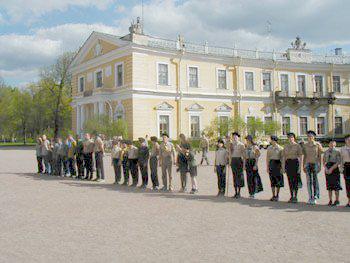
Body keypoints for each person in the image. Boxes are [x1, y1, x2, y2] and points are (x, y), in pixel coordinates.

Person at [302, 130, 323, 205]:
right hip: (308, 164)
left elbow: (320, 156)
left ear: (314, 137)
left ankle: (315, 196)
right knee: (308, 181)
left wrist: (320, 165)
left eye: (311, 136)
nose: (310, 137)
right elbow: (304, 156)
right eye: (308, 136)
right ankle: (310, 197)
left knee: (315, 181)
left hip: (315, 164)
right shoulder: (305, 145)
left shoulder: (317, 145)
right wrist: (303, 165)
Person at [283, 132, 303, 203]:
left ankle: (295, 197)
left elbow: (300, 156)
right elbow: (284, 156)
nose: (290, 139)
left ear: (294, 138)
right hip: (288, 163)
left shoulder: (297, 146)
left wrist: (300, 167)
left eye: (292, 137)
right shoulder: (286, 146)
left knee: (295, 180)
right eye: (289, 137)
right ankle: (291, 196)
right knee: (290, 180)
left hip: (295, 163)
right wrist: (283, 167)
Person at [323, 139, 342, 206]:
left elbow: (338, 162)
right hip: (327, 169)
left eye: (333, 144)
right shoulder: (326, 152)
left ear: (335, 144)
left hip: (335, 169)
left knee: (336, 185)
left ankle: (337, 200)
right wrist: (326, 168)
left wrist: (331, 169)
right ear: (329, 144)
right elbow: (324, 161)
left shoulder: (337, 152)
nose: (332, 145)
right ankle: (330, 200)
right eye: (331, 144)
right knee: (329, 186)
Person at [266, 135, 284, 201]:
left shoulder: (280, 148)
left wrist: (283, 167)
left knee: (278, 180)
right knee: (272, 180)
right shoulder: (269, 148)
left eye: (272, 140)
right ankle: (273, 195)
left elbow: (282, 158)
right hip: (271, 163)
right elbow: (267, 157)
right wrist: (267, 167)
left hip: (278, 164)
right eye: (271, 140)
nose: (271, 141)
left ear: (275, 140)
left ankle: (277, 195)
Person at [228, 132, 245, 198]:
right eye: (233, 137)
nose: (234, 138)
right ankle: (235, 192)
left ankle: (239, 192)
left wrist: (244, 164)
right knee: (234, 176)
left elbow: (244, 155)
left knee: (239, 176)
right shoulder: (231, 145)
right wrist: (229, 162)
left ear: (238, 137)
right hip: (233, 161)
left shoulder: (241, 145)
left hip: (239, 160)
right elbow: (229, 154)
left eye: (236, 137)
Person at [340, 134, 350, 207]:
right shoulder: (342, 149)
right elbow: (341, 159)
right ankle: (349, 201)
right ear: (345, 141)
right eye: (347, 139)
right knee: (348, 184)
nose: (349, 141)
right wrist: (341, 168)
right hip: (346, 167)